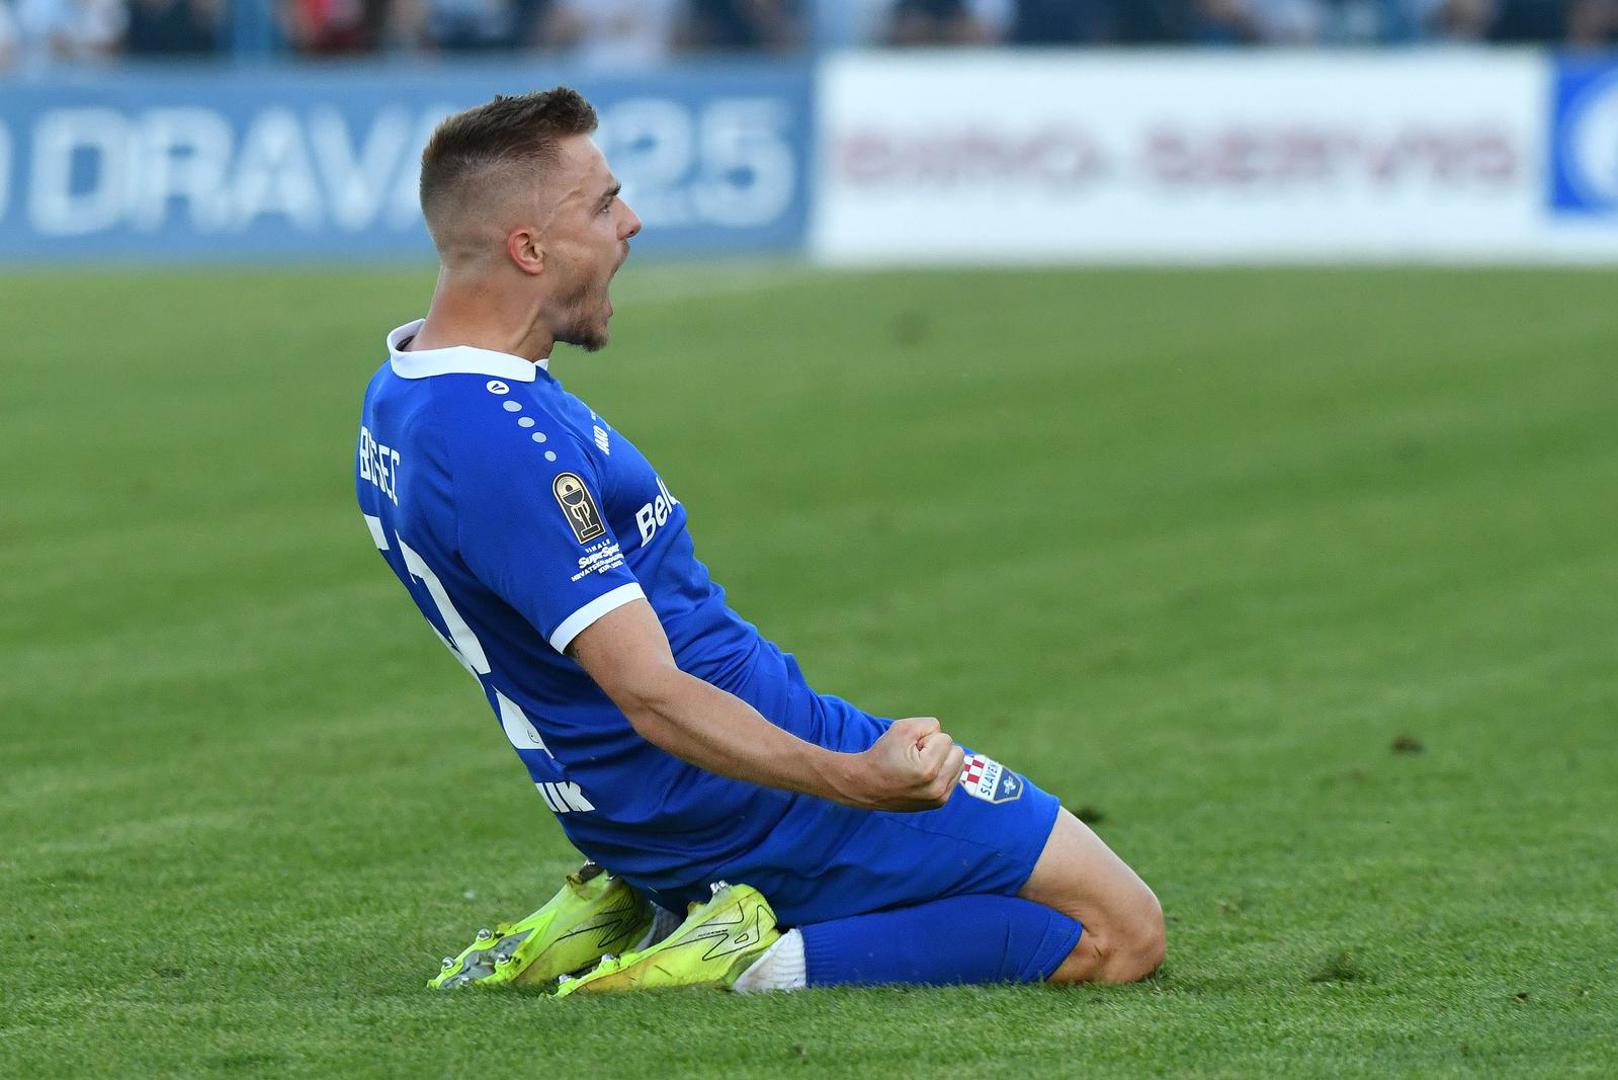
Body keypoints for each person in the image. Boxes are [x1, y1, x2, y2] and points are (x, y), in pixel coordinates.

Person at [355, 87, 1164, 995]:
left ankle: (648, 899)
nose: (631, 222)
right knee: (1120, 932)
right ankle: (753, 955)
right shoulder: (500, 443)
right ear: (529, 249)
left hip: (658, 798)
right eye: (603, 205)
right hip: (746, 799)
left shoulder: (406, 392)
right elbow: (653, 695)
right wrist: (855, 778)